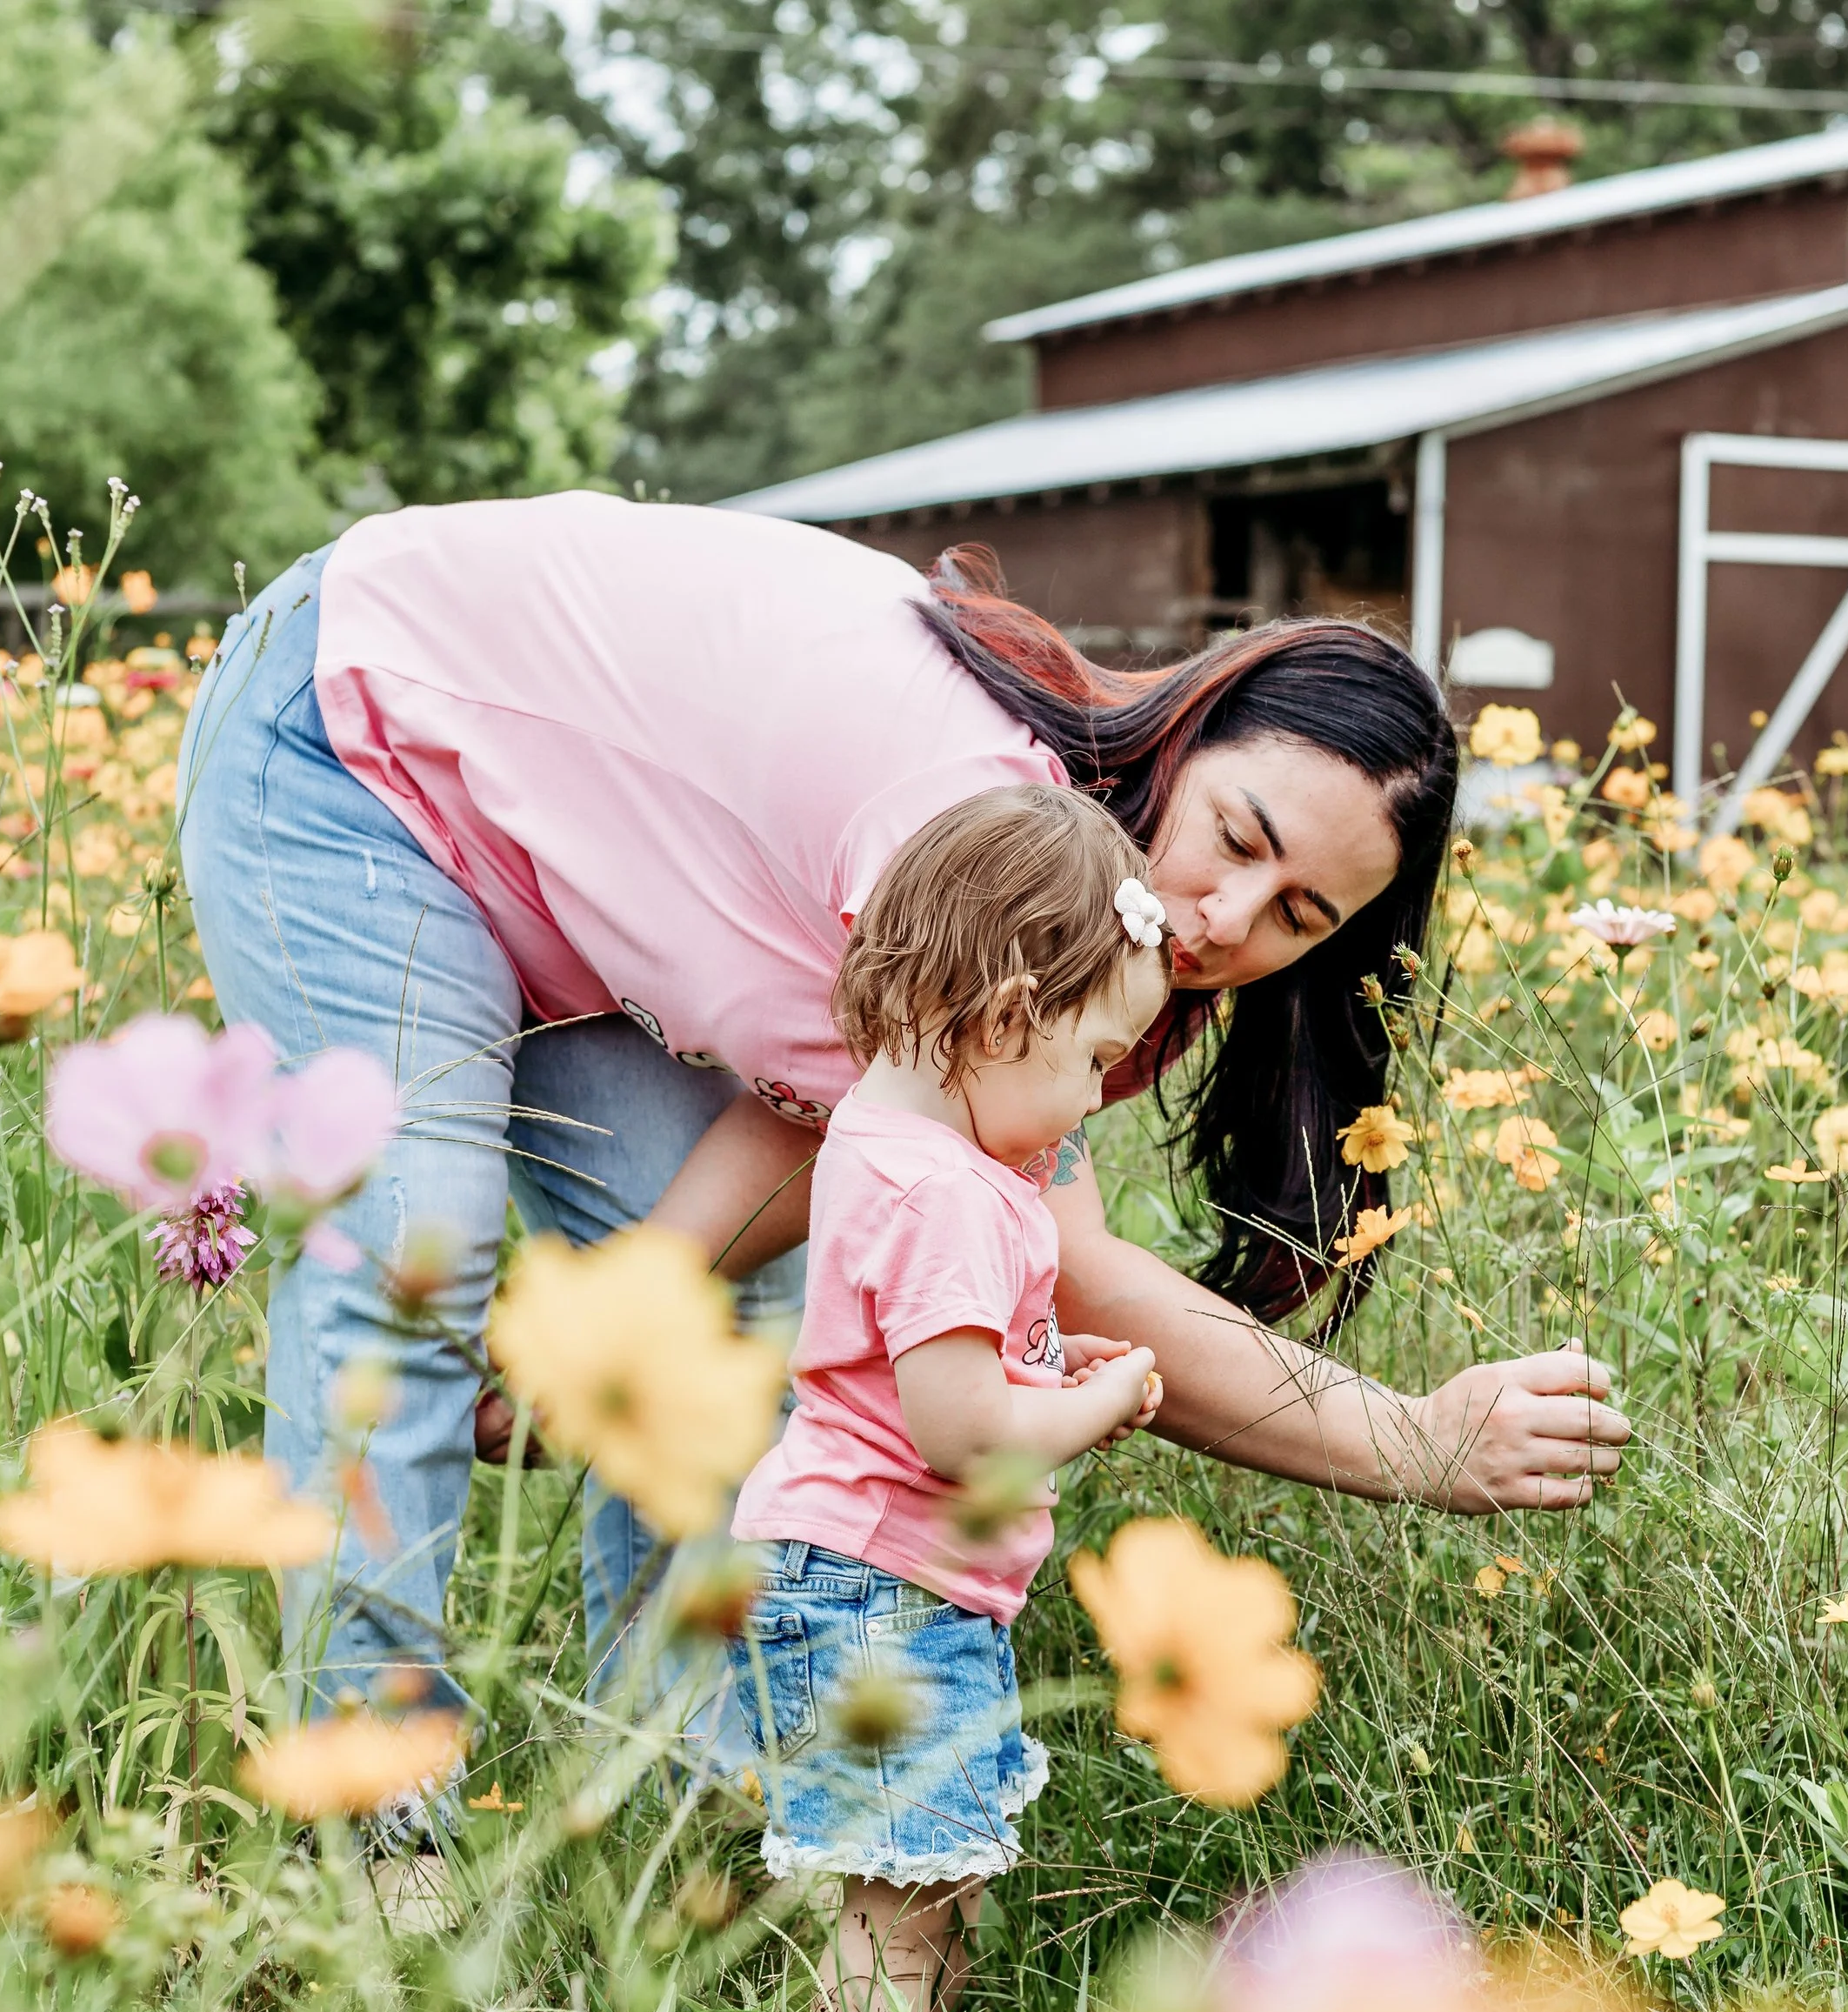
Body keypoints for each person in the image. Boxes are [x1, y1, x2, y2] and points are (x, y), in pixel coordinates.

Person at [176, 493, 1629, 1721]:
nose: (1225, 918)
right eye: (1237, 838)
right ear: (1188, 731)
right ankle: (366, 1803)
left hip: (571, 877)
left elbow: (839, 1109)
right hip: (360, 727)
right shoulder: (984, 822)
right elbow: (1065, 1264)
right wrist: (1413, 1442)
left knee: (758, 1305)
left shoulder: (1112, 927)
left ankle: (676, 1785)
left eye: (1297, 913)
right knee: (414, 1255)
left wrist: (611, 1321)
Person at [728, 785, 1170, 2012]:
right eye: (1094, 1062)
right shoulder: (949, 1198)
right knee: (904, 1903)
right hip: (885, 1588)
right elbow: (965, 1435)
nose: (1095, 1100)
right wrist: (1100, 1399)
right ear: (1009, 1018)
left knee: (930, 1877)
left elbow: (930, 1353)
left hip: (864, 1574)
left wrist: (1043, 1356)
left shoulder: (888, 1143)